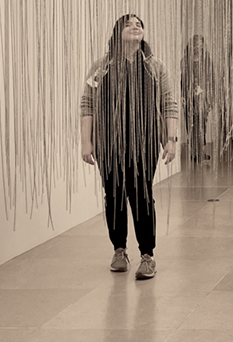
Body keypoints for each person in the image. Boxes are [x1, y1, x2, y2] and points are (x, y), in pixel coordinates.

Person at [80, 14, 179, 280]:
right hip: (108, 145)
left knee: (141, 195)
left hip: (144, 144)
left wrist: (170, 139)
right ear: (117, 32)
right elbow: (87, 104)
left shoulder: (155, 67)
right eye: (128, 23)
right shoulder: (102, 67)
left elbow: (168, 104)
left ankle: (147, 254)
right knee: (114, 196)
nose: (135, 26)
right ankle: (119, 249)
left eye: (139, 24)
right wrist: (86, 141)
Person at [181, 35, 215, 161]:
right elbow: (182, 80)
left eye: (199, 44)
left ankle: (200, 151)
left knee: (201, 125)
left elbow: (211, 80)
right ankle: (193, 152)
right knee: (191, 125)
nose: (197, 46)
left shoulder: (207, 61)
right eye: (195, 44)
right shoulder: (185, 61)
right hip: (190, 97)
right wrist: (183, 95)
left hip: (203, 98)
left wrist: (210, 99)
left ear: (202, 45)